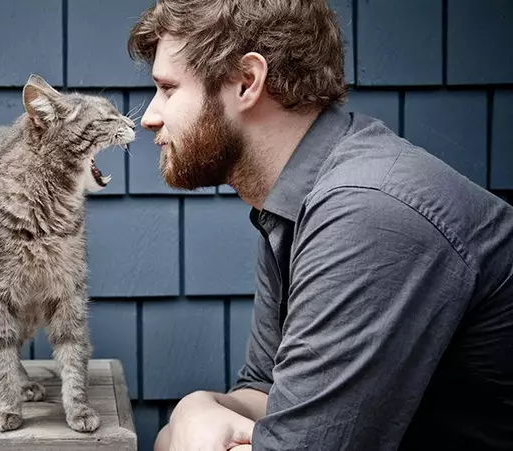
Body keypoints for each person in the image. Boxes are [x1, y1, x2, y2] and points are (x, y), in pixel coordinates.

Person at [127, 0, 513, 450]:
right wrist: (196, 408)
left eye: (168, 88)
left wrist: (202, 424)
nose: (150, 116)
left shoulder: (365, 213)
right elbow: (266, 391)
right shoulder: (294, 202)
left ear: (247, 82)